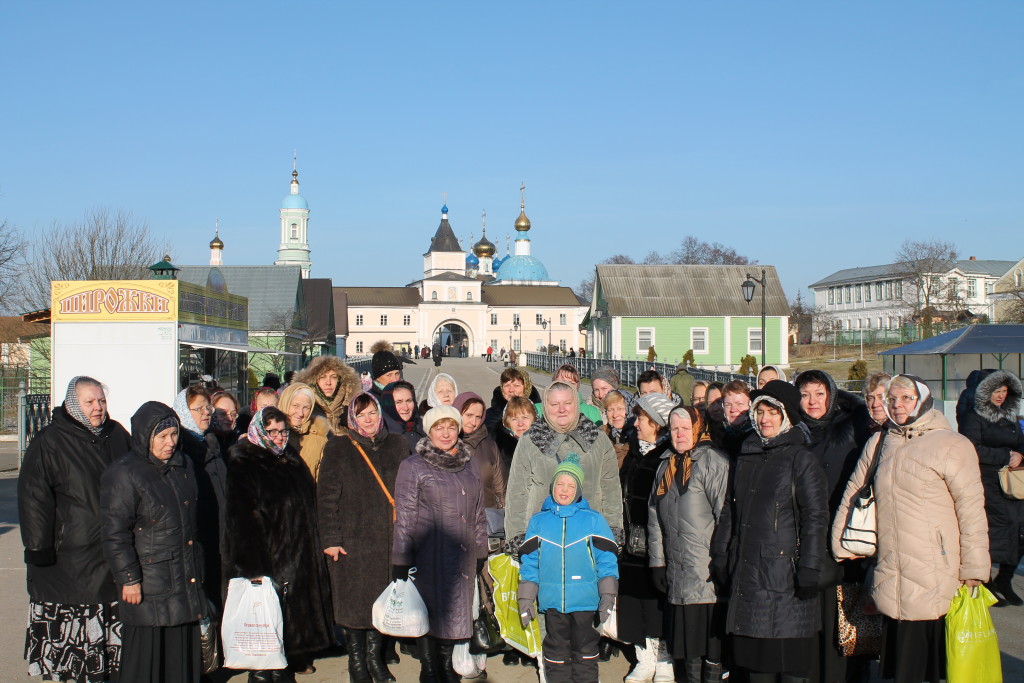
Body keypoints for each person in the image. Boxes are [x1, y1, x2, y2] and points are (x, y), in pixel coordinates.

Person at [832, 375, 989, 683]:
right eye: (892, 399)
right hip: (892, 567)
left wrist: (974, 567)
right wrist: (841, 543)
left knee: (927, 657)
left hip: (936, 569)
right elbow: (855, 489)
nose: (898, 405)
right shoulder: (881, 441)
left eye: (906, 398)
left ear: (923, 401)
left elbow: (971, 510)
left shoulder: (951, 444)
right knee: (900, 658)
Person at [711, 380, 829, 683]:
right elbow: (730, 510)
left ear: (786, 415)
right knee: (756, 665)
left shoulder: (802, 459)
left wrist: (810, 565)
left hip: (786, 574)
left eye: (772, 412)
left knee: (789, 665)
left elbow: (815, 516)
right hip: (748, 571)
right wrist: (721, 553)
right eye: (760, 411)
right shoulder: (747, 455)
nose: (764, 419)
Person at [19, 376, 133, 683]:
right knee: (75, 639)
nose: (98, 408)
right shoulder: (50, 441)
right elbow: (34, 498)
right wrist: (39, 549)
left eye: (101, 401)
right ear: (73, 403)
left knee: (111, 641)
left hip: (111, 553)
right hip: (68, 559)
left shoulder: (117, 434)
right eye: (90, 402)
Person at [224, 407, 334, 681]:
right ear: (259, 431)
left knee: (285, 644)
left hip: (298, 563)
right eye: (271, 431)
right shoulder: (244, 462)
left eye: (283, 431)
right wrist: (255, 569)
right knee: (264, 641)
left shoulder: (291, 458)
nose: (277, 437)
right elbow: (241, 520)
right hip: (269, 565)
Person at [100, 402, 207, 683]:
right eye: (162, 437)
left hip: (183, 575)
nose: (170, 443)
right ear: (145, 437)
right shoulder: (124, 473)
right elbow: (115, 532)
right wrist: (128, 578)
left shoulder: (182, 465)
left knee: (179, 655)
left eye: (174, 435)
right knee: (145, 657)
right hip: (149, 581)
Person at [392, 406, 488, 682]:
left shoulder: (468, 462)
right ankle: (429, 667)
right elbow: (406, 516)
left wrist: (480, 548)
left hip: (462, 554)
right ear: (429, 431)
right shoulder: (413, 466)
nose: (445, 434)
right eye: (438, 427)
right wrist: (401, 558)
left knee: (455, 613)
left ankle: (447, 665)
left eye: (451, 427)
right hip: (427, 555)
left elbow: (479, 510)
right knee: (426, 615)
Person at [318, 393, 409, 683]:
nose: (368, 420)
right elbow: (327, 497)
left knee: (383, 601)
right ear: (352, 419)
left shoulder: (397, 445)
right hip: (353, 538)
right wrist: (331, 537)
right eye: (362, 415)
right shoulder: (339, 447)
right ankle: (357, 661)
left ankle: (375, 657)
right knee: (355, 604)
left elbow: (409, 492)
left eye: (372, 412)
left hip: (389, 538)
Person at [793, 369, 871, 683]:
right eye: (805, 394)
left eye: (820, 394)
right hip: (806, 534)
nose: (812, 402)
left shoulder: (851, 427)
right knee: (814, 612)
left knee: (845, 612)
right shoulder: (795, 432)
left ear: (832, 395)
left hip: (844, 535)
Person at [518, 455, 619, 683]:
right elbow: (530, 563)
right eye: (560, 484)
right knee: (556, 655)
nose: (565, 490)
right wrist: (525, 599)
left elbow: (606, 561)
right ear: (553, 486)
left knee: (585, 654)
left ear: (579, 490)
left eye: (571, 485)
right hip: (553, 602)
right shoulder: (539, 522)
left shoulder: (593, 520)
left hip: (585, 602)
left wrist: (608, 596)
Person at [648, 406, 729, 683]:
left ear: (698, 427)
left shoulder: (713, 463)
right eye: (674, 429)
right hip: (677, 573)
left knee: (710, 645)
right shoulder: (665, 466)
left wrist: (722, 560)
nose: (679, 434)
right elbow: (654, 517)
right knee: (687, 648)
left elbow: (725, 516)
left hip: (707, 575)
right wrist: (657, 561)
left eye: (685, 428)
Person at [505, 381, 624, 561]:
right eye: (554, 404)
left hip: (590, 539)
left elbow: (611, 489)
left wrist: (613, 534)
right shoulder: (529, 442)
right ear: (545, 406)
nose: (562, 409)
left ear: (576, 404)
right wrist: (518, 539)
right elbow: (517, 492)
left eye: (567, 403)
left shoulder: (598, 439)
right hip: (542, 542)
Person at [618, 393, 677, 682]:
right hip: (632, 540)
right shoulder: (635, 450)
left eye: (641, 418)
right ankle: (644, 656)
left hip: (658, 541)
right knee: (635, 600)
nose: (635, 423)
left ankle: (665, 659)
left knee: (658, 601)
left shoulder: (668, 454)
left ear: (656, 422)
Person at [957, 369, 1024, 606]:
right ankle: (985, 583)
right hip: (986, 482)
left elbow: (1021, 443)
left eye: (1005, 391)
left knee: (1019, 532)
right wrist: (1005, 455)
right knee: (995, 533)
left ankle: (1004, 579)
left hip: (1013, 484)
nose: (1000, 395)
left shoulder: (1010, 415)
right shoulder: (973, 416)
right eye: (996, 390)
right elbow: (970, 448)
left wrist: (1020, 456)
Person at [173, 386, 228, 613]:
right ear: (184, 412)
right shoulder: (181, 449)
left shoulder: (212, 442)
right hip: (200, 537)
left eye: (208, 407)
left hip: (221, 535)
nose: (206, 412)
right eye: (199, 408)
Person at [455, 392, 507, 508]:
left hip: (486, 517)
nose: (473, 422)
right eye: (469, 415)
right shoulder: (445, 443)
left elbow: (500, 488)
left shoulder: (490, 446)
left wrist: (501, 512)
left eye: (478, 417)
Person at [296, 355, 361, 435]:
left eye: (334, 377)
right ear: (313, 380)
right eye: (322, 377)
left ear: (340, 379)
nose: (328, 383)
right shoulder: (304, 409)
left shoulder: (353, 406)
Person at [279, 382, 332, 480]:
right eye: (295, 405)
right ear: (285, 403)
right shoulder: (271, 434)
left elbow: (324, 479)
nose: (300, 413)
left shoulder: (318, 438)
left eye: (306, 408)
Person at [485, 367, 542, 434]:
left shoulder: (541, 411)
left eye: (516, 385)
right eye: (506, 386)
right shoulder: (490, 416)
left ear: (526, 388)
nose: (511, 390)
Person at [709, 379, 754, 459]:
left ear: (751, 405)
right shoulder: (716, 437)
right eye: (728, 405)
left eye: (739, 404)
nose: (733, 409)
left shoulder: (758, 439)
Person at [494, 395, 537, 474]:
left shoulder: (545, 445)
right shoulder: (496, 450)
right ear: (506, 423)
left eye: (525, 417)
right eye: (514, 419)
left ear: (534, 419)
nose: (520, 424)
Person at [379, 380, 425, 452]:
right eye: (398, 402)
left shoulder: (423, 427)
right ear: (388, 405)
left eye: (409, 400)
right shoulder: (382, 437)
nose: (405, 408)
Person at [601, 390, 633, 467]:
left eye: (620, 409)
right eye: (611, 410)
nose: (615, 415)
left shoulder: (638, 438)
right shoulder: (600, 434)